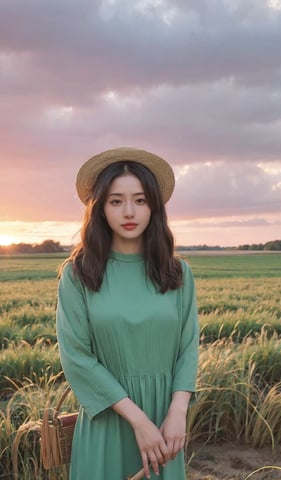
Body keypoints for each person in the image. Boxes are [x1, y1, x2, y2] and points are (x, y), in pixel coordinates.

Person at [56, 147, 199, 480]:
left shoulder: (178, 273)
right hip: (108, 419)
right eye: (116, 201)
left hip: (166, 426)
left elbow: (188, 346)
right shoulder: (78, 275)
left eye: (140, 200)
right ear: (101, 208)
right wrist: (139, 421)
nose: (129, 211)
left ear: (154, 207)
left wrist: (177, 412)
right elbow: (77, 357)